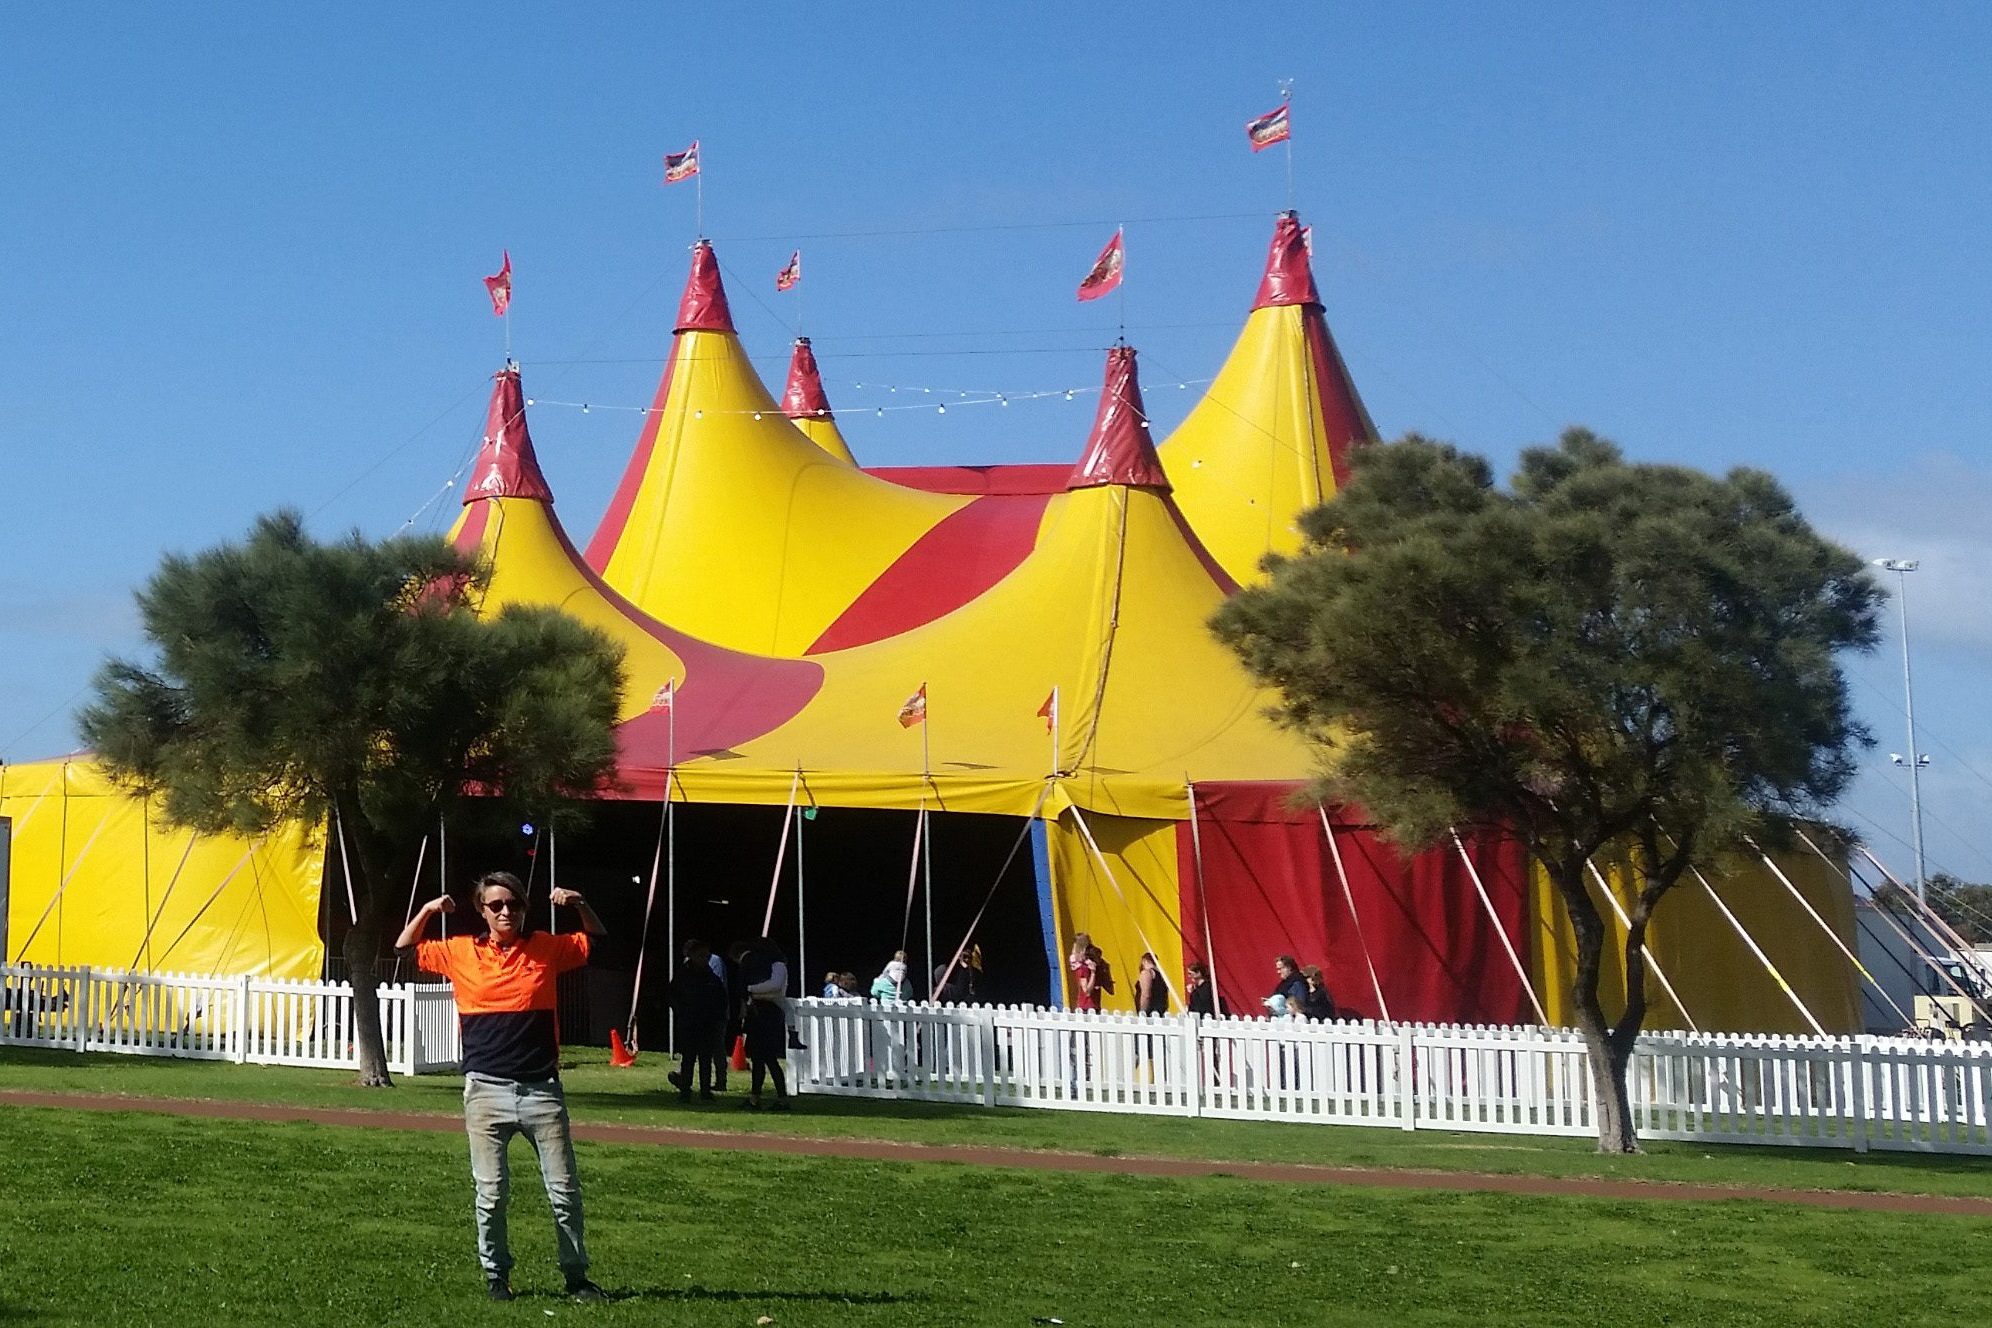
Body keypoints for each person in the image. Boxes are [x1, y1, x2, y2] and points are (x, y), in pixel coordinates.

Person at [397, 872, 607, 1304]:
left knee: (564, 1193)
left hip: (542, 1093)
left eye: (514, 904)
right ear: (482, 910)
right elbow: (403, 952)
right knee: (491, 1193)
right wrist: (427, 911)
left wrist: (580, 903)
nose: (506, 912)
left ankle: (576, 1278)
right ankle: (497, 1277)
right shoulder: (459, 952)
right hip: (485, 1094)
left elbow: (598, 945)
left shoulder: (547, 948)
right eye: (496, 905)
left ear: (526, 907)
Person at [668, 939, 727, 1101]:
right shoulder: (683, 976)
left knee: (705, 1059)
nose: (704, 959)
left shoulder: (712, 978)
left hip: (707, 1024)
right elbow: (672, 995)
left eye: (706, 956)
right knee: (688, 1058)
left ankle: (705, 1091)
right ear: (692, 956)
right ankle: (685, 1091)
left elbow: (721, 1000)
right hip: (688, 1022)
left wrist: (717, 1019)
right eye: (701, 956)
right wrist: (681, 1012)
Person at [739, 938, 793, 1110]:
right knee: (757, 1059)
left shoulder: (778, 965)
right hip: (758, 1014)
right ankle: (755, 1097)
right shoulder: (763, 967)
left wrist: (751, 990)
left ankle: (782, 1099)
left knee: (769, 1059)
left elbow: (775, 988)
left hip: (770, 1014)